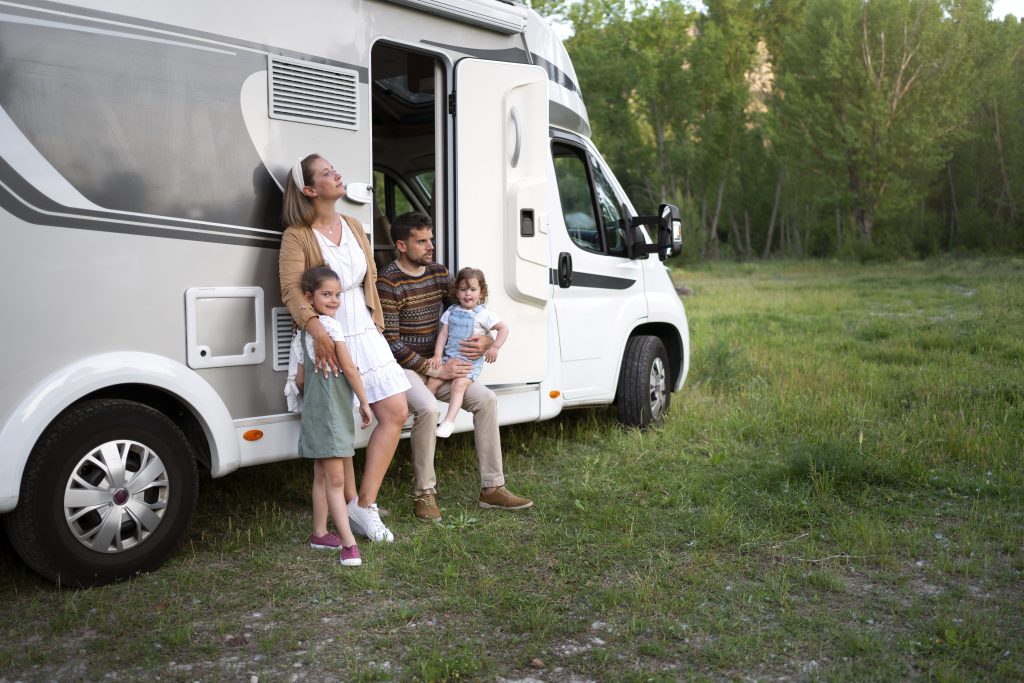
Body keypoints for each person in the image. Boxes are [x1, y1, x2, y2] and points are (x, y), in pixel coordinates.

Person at [280, 154, 410, 544]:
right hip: (328, 333)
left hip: (363, 329)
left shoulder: (353, 224)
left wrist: (377, 325)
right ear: (309, 189)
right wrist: (318, 332)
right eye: (325, 173)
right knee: (344, 421)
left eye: (333, 169)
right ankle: (350, 502)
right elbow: (291, 291)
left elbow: (368, 279)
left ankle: (363, 504)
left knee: (396, 410)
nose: (336, 175)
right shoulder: (297, 234)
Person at [376, 211, 533, 523]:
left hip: (441, 364)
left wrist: (488, 340)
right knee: (426, 409)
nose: (430, 246)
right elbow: (391, 343)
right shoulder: (388, 281)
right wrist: (435, 370)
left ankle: (492, 488)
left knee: (486, 399)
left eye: (430, 239)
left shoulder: (437, 273)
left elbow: (467, 309)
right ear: (402, 245)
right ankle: (425, 494)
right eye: (422, 241)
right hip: (406, 368)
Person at [294, 266, 374, 566]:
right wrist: (364, 402)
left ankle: (319, 533)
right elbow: (350, 368)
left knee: (321, 474)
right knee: (336, 479)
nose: (334, 300)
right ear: (308, 296)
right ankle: (349, 544)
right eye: (326, 294)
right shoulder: (331, 327)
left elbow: (300, 380)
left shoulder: (301, 333)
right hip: (330, 411)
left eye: (337, 295)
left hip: (315, 410)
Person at [428, 267, 508, 438]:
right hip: (449, 358)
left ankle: (449, 421)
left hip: (468, 363)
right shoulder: (451, 312)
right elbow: (443, 334)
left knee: (459, 385)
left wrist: (495, 347)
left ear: (481, 293)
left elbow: (503, 329)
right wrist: (437, 355)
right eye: (463, 289)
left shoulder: (484, 315)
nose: (467, 294)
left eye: (473, 289)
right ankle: (425, 413)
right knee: (433, 380)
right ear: (456, 292)